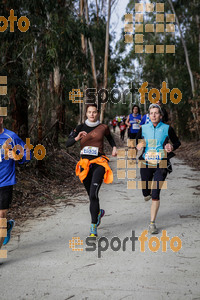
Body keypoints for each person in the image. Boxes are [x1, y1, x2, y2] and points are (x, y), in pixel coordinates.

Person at [66, 104, 117, 237]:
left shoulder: (103, 127)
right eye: (89, 112)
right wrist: (77, 138)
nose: (92, 114)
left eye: (94, 112)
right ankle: (98, 213)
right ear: (86, 114)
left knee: (94, 194)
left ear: (98, 113)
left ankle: (93, 227)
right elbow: (68, 142)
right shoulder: (80, 127)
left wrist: (114, 148)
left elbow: (110, 138)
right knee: (91, 195)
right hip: (84, 164)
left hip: (99, 162)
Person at [136, 104, 181, 234]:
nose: (154, 115)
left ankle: (152, 223)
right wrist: (137, 146)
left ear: (160, 116)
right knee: (146, 191)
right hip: (146, 162)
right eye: (151, 113)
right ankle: (147, 193)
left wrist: (172, 147)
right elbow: (135, 142)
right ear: (148, 116)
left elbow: (177, 142)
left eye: (156, 113)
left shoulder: (167, 128)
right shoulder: (143, 128)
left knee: (155, 193)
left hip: (161, 163)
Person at [0, 115, 30, 250]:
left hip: (4, 182)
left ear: (1, 120)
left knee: (1, 216)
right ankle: (6, 226)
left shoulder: (11, 137)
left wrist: (18, 156)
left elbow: (27, 155)